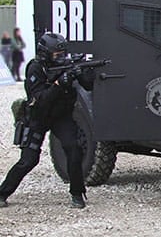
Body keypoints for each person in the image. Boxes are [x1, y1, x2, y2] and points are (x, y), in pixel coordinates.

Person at [0, 33, 95, 209]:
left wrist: (82, 72)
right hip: (38, 118)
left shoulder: (66, 66)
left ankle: (77, 193)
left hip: (62, 117)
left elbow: (89, 85)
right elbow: (40, 100)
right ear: (45, 53)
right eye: (57, 55)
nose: (61, 58)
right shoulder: (35, 69)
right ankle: (3, 192)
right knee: (29, 160)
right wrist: (59, 84)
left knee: (74, 149)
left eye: (63, 54)